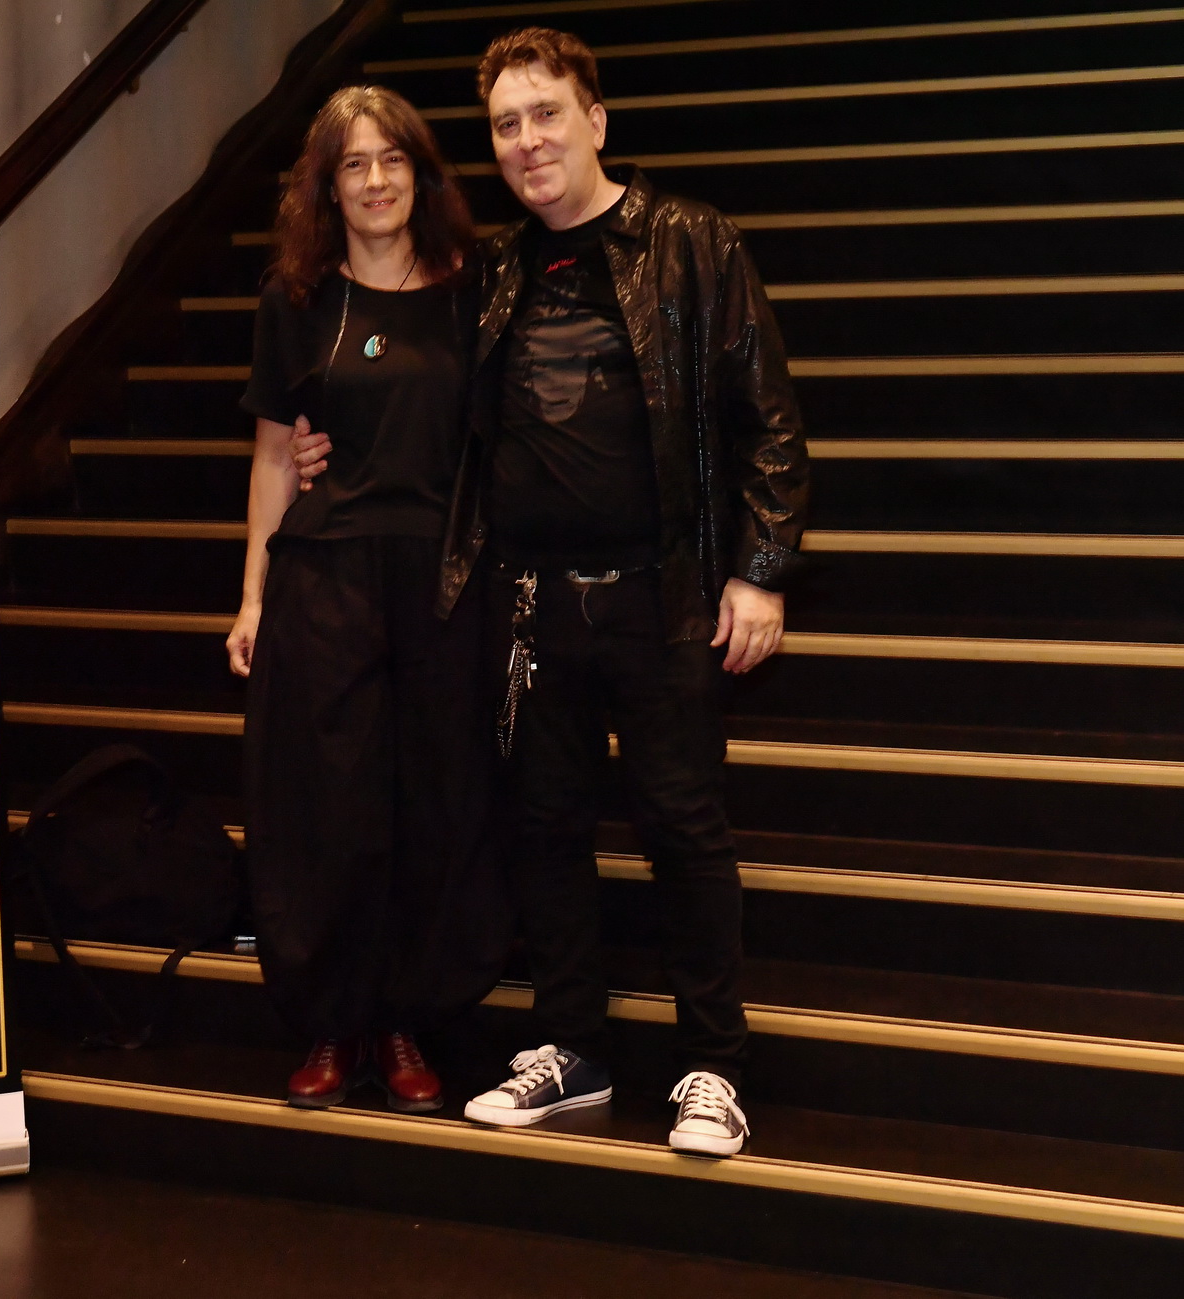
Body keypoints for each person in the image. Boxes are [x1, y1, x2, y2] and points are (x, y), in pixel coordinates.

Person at [295, 28, 809, 1156]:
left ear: (594, 120)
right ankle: (570, 1047)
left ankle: (712, 1067)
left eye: (545, 115)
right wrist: (319, 444)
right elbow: (423, 397)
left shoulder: (688, 241)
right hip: (527, 604)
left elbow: (766, 415)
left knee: (682, 827)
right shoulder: (496, 272)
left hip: (663, 598)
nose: (527, 141)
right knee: (542, 829)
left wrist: (759, 570)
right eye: (505, 125)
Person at [228, 86, 507, 1115]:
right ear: (327, 186)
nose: (376, 180)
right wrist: (252, 597)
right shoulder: (294, 300)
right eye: (354, 164)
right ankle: (333, 1021)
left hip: (442, 583)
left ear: (420, 176)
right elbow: (272, 458)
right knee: (330, 806)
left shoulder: (475, 291)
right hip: (326, 578)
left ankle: (403, 1022)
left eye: (392, 159)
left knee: (432, 802)